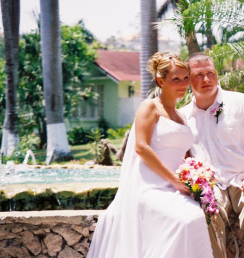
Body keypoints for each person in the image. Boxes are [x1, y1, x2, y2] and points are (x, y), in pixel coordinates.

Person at [87, 52, 214, 258]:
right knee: (187, 219)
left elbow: (185, 154)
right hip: (149, 187)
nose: (183, 84)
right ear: (160, 81)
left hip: (175, 189)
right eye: (175, 79)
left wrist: (198, 180)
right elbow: (141, 147)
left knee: (196, 217)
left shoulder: (181, 115)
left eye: (185, 78)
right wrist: (174, 179)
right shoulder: (149, 107)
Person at [181, 53, 244, 258]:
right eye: (199, 75)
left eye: (210, 73)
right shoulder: (183, 117)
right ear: (188, 79)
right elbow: (183, 158)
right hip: (212, 186)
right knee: (203, 213)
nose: (206, 80)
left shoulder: (242, 103)